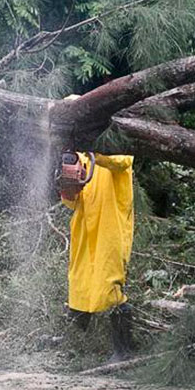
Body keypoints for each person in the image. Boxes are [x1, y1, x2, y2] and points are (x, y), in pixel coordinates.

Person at [60, 152, 135, 362]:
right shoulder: (81, 157)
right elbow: (73, 203)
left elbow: (121, 162)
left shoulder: (116, 150)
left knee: (110, 289)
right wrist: (67, 187)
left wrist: (95, 154)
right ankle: (75, 343)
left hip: (110, 231)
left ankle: (124, 351)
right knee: (79, 285)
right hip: (84, 232)